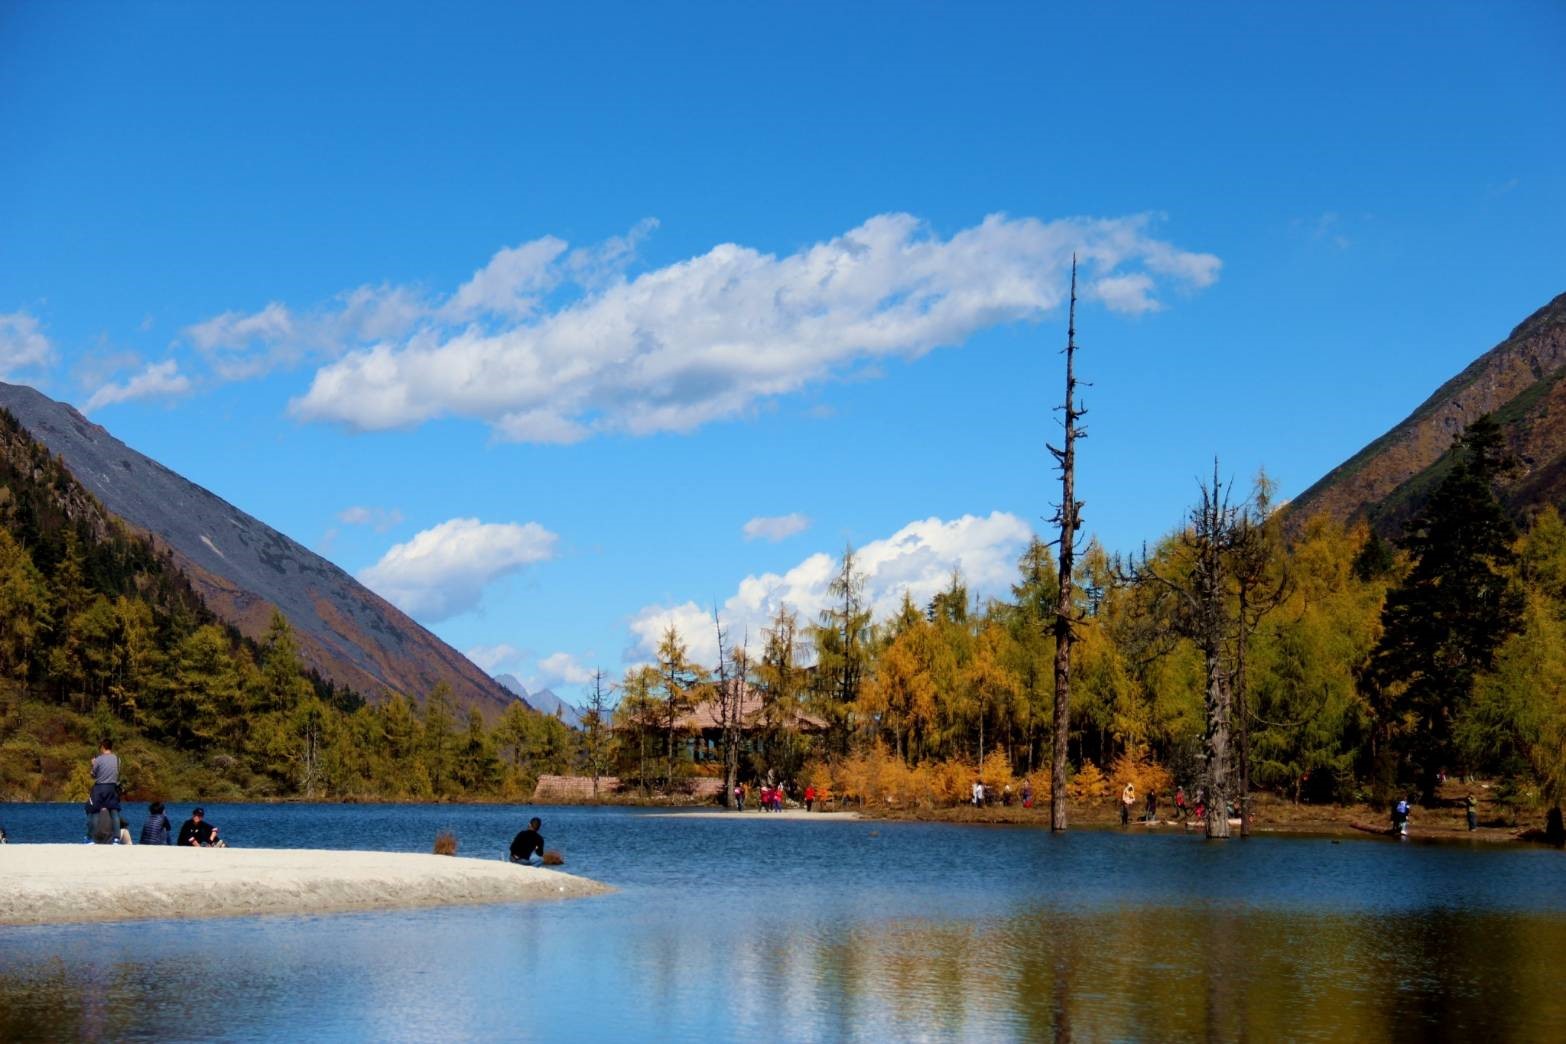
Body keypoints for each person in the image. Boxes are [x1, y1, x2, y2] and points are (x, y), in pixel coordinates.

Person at [85, 738, 123, 842]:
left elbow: (93, 775)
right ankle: (116, 838)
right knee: (114, 812)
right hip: (112, 787)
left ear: (102, 747)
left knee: (95, 812)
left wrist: (93, 764)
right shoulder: (117, 759)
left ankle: (90, 838)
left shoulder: (98, 760)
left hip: (99, 788)